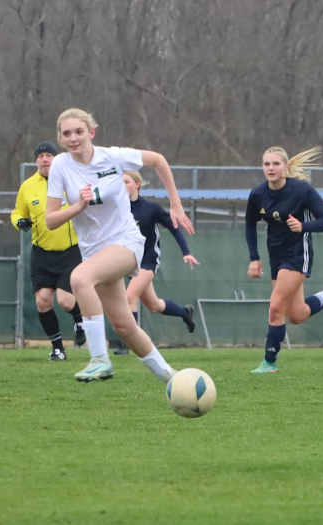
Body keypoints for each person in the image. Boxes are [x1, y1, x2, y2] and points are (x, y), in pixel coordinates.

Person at [44, 108, 193, 383]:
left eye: (79, 131)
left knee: (79, 278)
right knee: (124, 326)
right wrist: (78, 206)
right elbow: (51, 220)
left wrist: (175, 202)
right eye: (67, 134)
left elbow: (158, 160)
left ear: (91, 133)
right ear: (61, 139)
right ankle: (171, 377)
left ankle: (100, 360)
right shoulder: (61, 166)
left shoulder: (112, 156)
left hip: (127, 243)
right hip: (95, 253)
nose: (73, 138)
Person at [245, 146, 323, 374]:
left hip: (298, 254)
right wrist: (254, 258)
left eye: (276, 163)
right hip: (275, 255)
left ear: (285, 167)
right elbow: (250, 223)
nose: (271, 168)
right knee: (297, 315)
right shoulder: (258, 194)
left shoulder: (301, 191)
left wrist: (303, 226)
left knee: (275, 307)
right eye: (266, 164)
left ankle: (269, 363)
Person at [11, 141, 86, 361]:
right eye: (40, 156)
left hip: (69, 252)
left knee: (65, 301)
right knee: (43, 301)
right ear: (36, 160)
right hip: (41, 253)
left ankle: (79, 317)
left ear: (57, 158)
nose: (45, 159)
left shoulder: (69, 179)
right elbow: (16, 212)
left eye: (49, 155)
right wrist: (20, 221)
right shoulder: (28, 186)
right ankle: (58, 349)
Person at [122, 171, 199, 341]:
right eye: (119, 183)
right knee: (154, 305)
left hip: (148, 260)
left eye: (126, 182)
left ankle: (130, 342)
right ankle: (185, 312)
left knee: (129, 297)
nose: (123, 186)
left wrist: (186, 252)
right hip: (128, 262)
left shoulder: (151, 208)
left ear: (137, 184)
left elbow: (173, 227)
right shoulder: (117, 209)